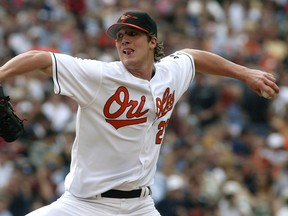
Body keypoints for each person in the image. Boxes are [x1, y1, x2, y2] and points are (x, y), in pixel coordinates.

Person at [0, 10, 279, 216]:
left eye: (132, 33)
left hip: (140, 206)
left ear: (152, 41)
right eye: (120, 36)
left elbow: (194, 57)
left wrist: (245, 74)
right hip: (85, 204)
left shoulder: (170, 74)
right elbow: (40, 59)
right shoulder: (100, 76)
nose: (124, 40)